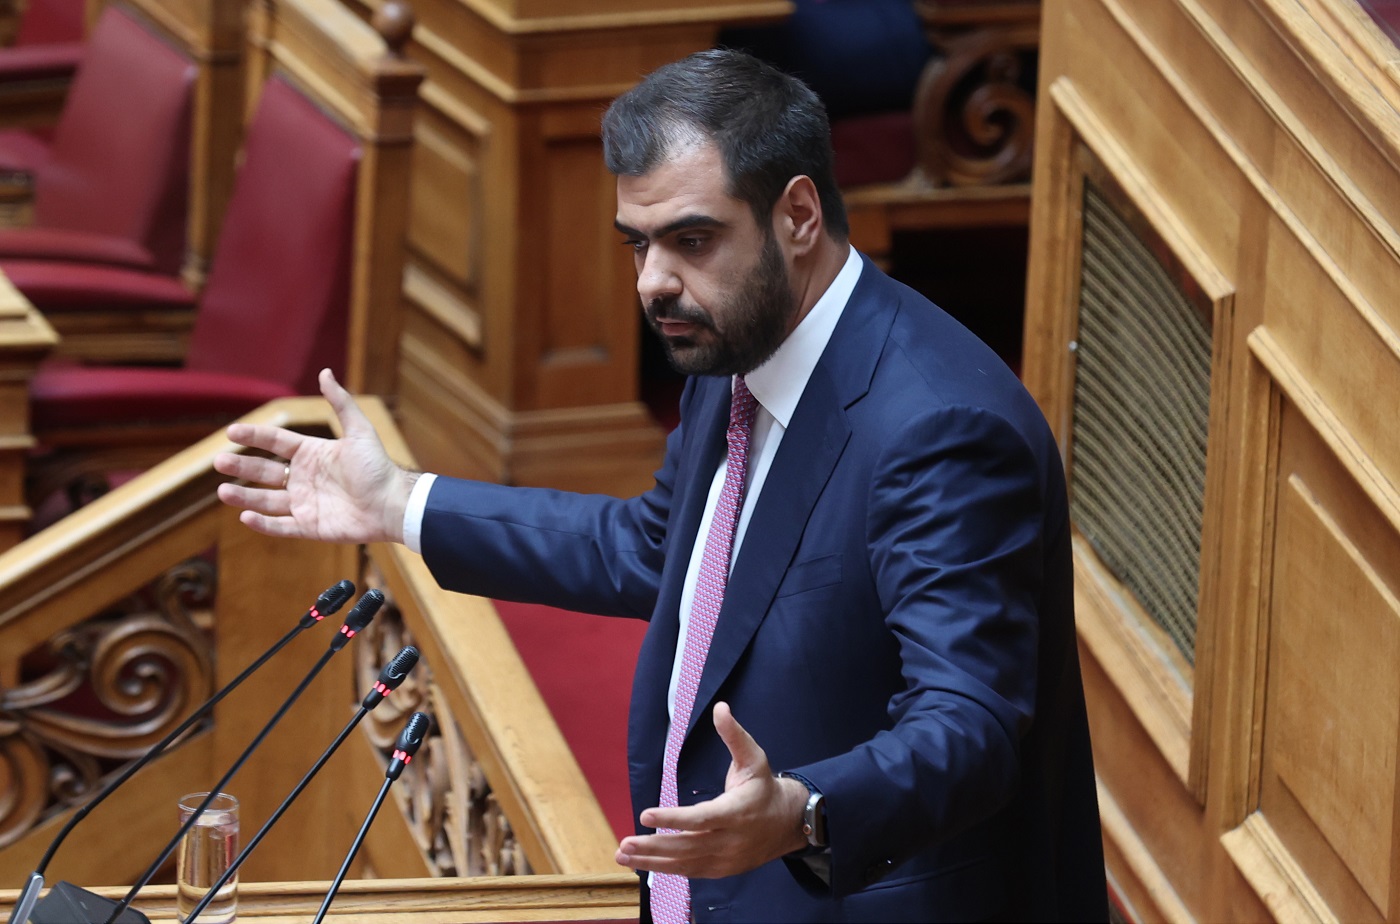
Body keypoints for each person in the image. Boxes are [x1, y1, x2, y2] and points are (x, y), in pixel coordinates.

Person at [214, 49, 1106, 923]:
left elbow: (971, 722)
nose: (653, 283)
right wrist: (398, 502)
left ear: (798, 215)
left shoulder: (941, 428)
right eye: (638, 244)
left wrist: (805, 811)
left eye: (692, 240)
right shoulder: (736, 340)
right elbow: (658, 550)